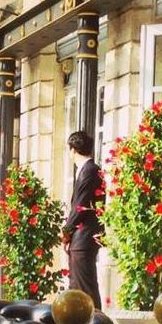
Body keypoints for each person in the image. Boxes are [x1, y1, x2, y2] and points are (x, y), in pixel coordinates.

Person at [62, 131, 103, 310]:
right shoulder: (88, 170)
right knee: (79, 286)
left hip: (84, 237)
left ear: (73, 150)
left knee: (85, 288)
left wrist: (66, 232)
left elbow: (80, 205)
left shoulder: (90, 170)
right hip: (83, 237)